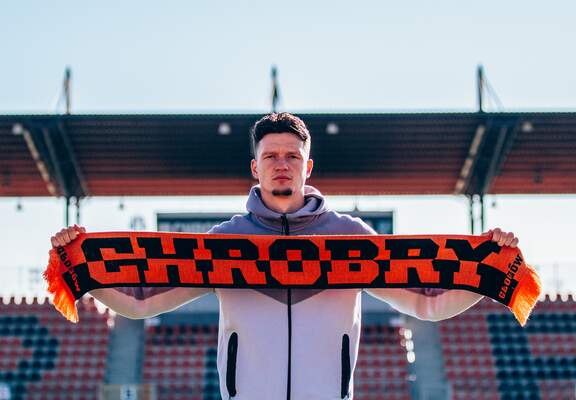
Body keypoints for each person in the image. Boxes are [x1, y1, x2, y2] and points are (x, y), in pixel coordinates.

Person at [51, 112, 519, 400]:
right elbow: (140, 302)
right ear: (255, 167)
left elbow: (428, 303)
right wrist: (79, 265)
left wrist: (489, 268)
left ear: (307, 166)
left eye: (292, 156)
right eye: (271, 155)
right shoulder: (226, 242)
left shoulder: (350, 238)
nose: (281, 164)